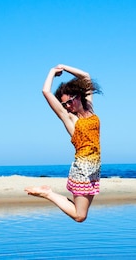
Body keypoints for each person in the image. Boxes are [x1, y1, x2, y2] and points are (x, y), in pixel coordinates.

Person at [25, 64, 102, 223]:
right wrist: (52, 72)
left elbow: (86, 76)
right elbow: (46, 92)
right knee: (80, 216)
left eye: (69, 102)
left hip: (94, 169)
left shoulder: (89, 108)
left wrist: (64, 67)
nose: (67, 106)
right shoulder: (71, 119)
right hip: (82, 169)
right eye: (64, 104)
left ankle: (48, 193)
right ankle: (48, 194)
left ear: (78, 97)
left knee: (81, 213)